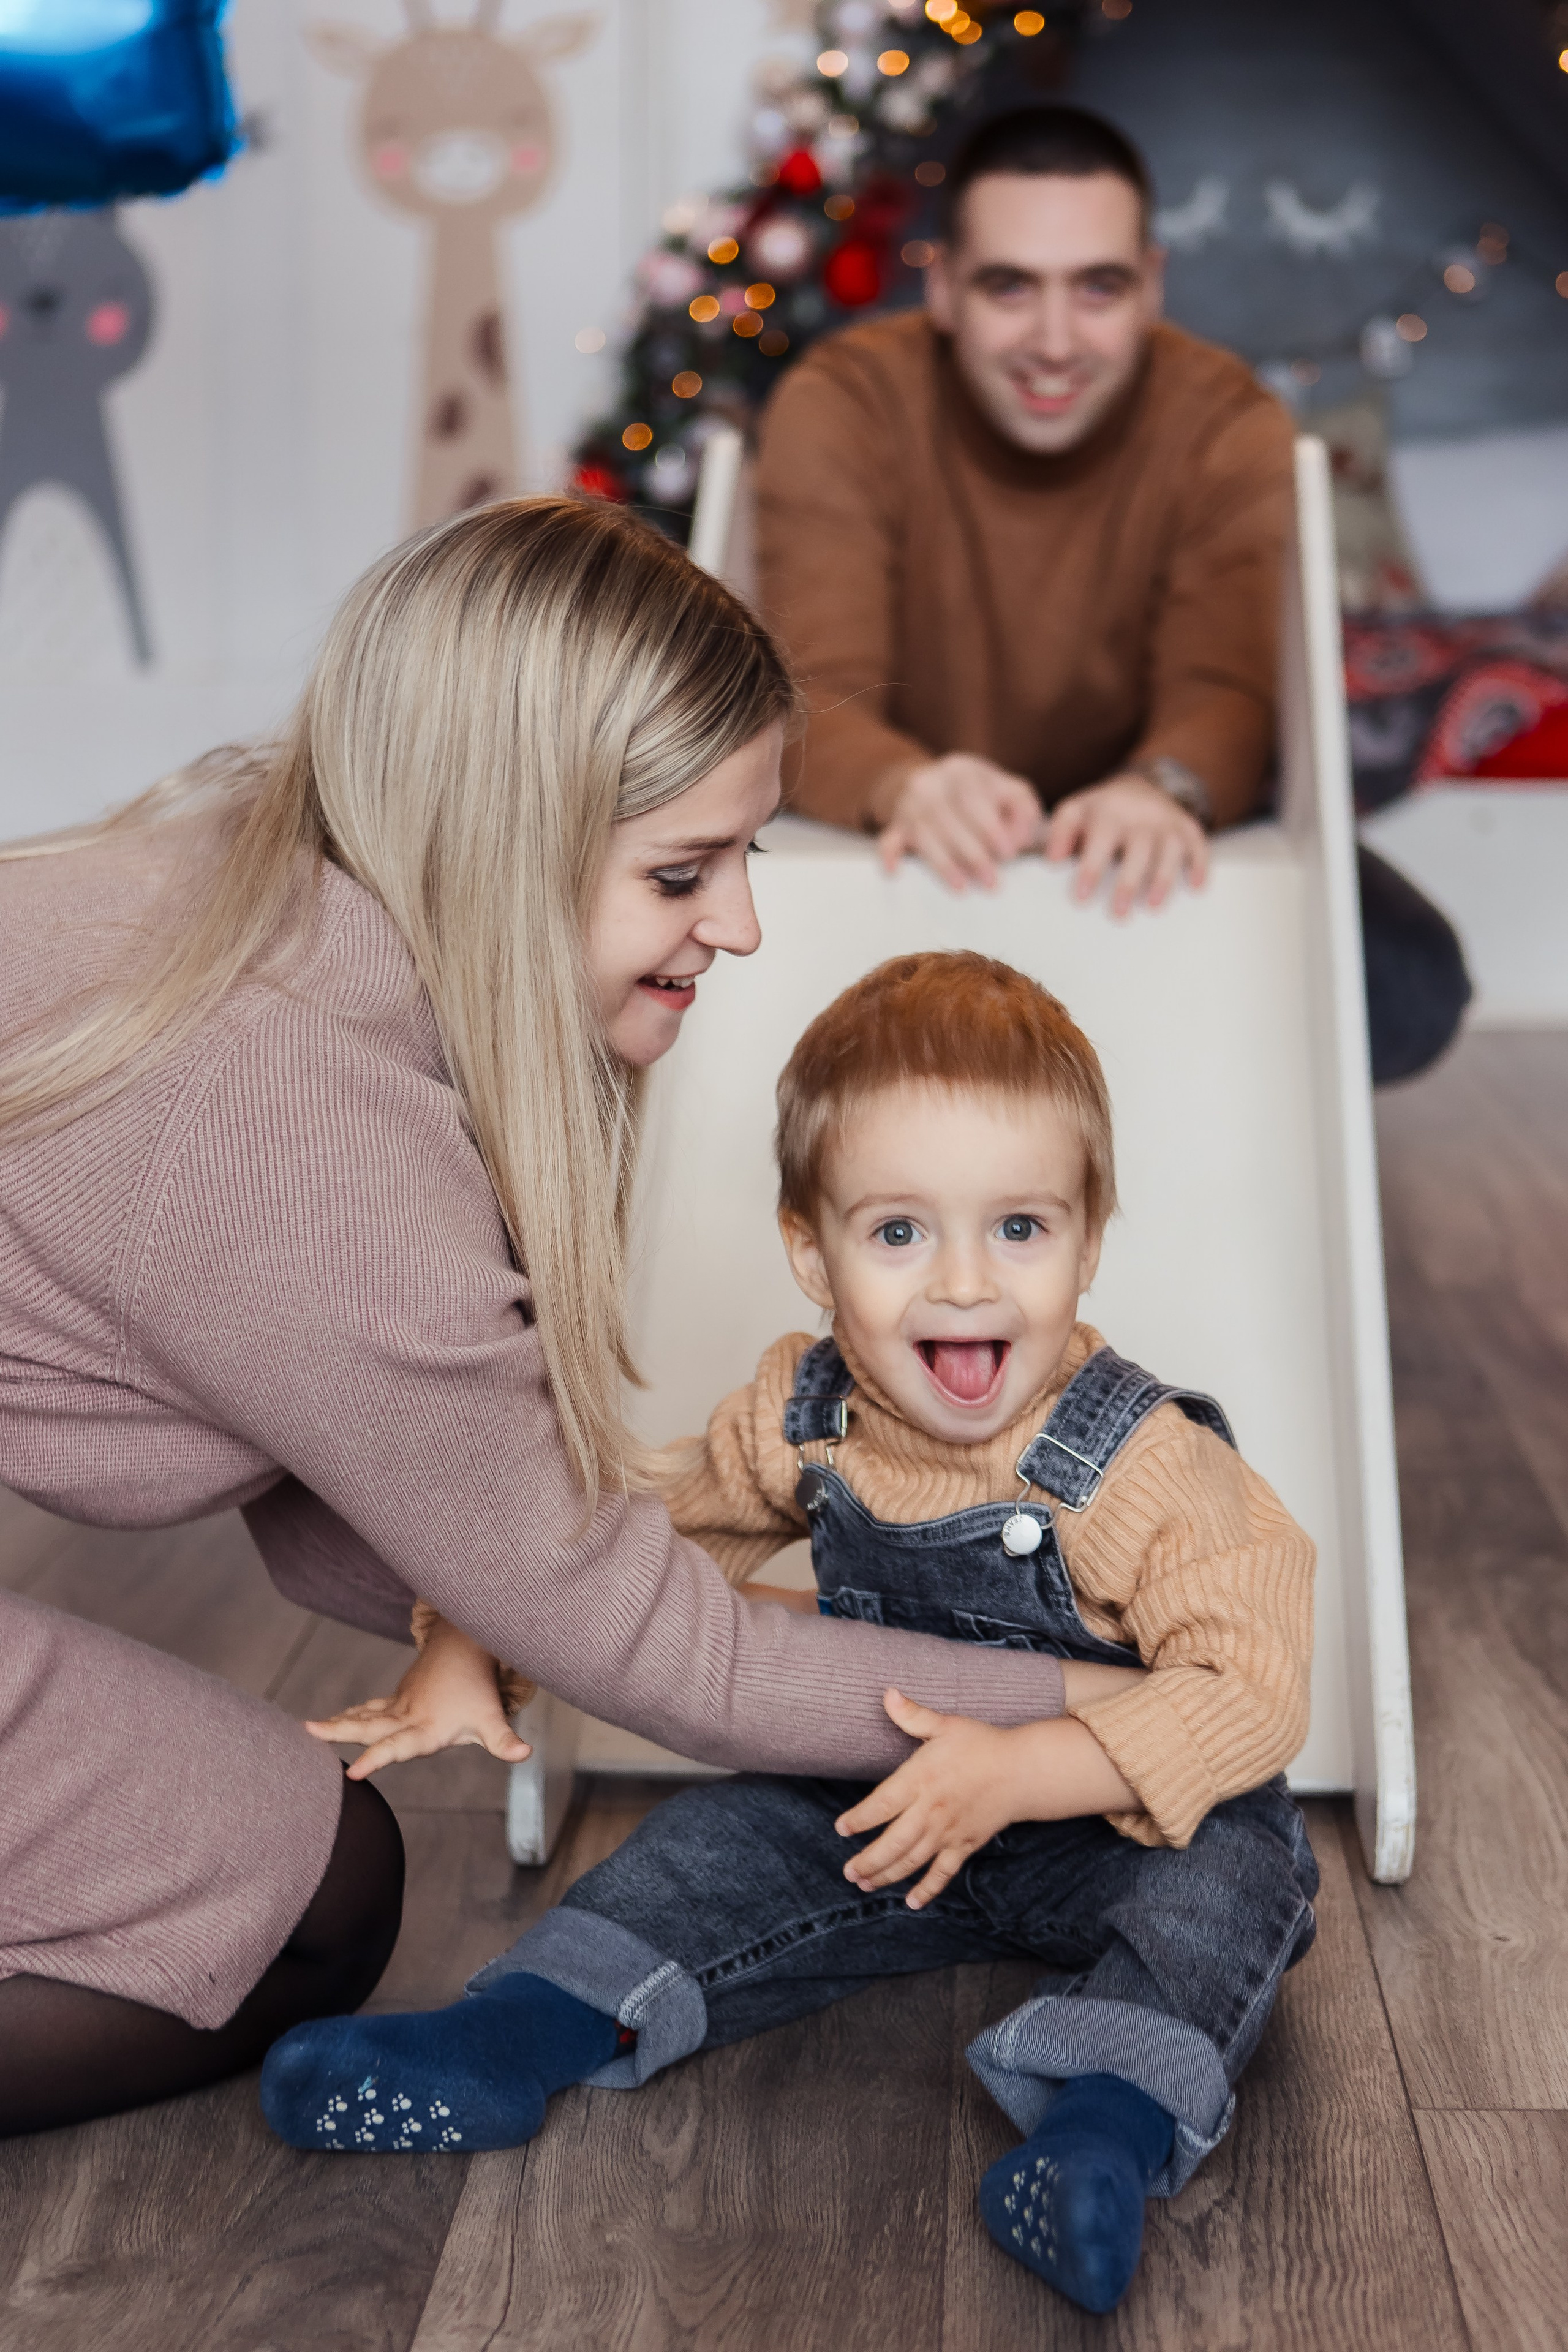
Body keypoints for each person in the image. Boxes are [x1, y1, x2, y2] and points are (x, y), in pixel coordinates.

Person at [0, 503, 1077, 2136]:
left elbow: (396, 1530)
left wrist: (710, 1566)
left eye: (746, 856)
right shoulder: (303, 1141)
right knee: (303, 1890)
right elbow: (654, 1651)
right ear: (501, 839)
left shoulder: (244, 879)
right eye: (680, 873)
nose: (738, 926)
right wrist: (1129, 1707)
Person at [260, 952, 1317, 2320]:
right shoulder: (800, 1413)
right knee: (705, 1854)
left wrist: (1022, 1772)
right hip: (878, 1808)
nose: (961, 1284)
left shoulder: (1136, 1467)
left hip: (1114, 1832)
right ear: (809, 1251)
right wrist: (472, 1635)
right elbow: (622, 1542)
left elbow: (1252, 1689)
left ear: (1088, 1236)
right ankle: (510, 2037)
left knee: (1230, 1892)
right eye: (896, 1234)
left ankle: (1097, 2134)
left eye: (1017, 1228)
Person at [755, 103, 1469, 1082]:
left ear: (1151, 287)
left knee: (1408, 985)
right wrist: (901, 784)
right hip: (916, 822)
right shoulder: (843, 403)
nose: (1056, 341)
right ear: (947, 290)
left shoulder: (1227, 421)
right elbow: (810, 690)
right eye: (1011, 287)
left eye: (1098, 288)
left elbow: (1225, 686)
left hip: (1130, 816)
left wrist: (1163, 786)